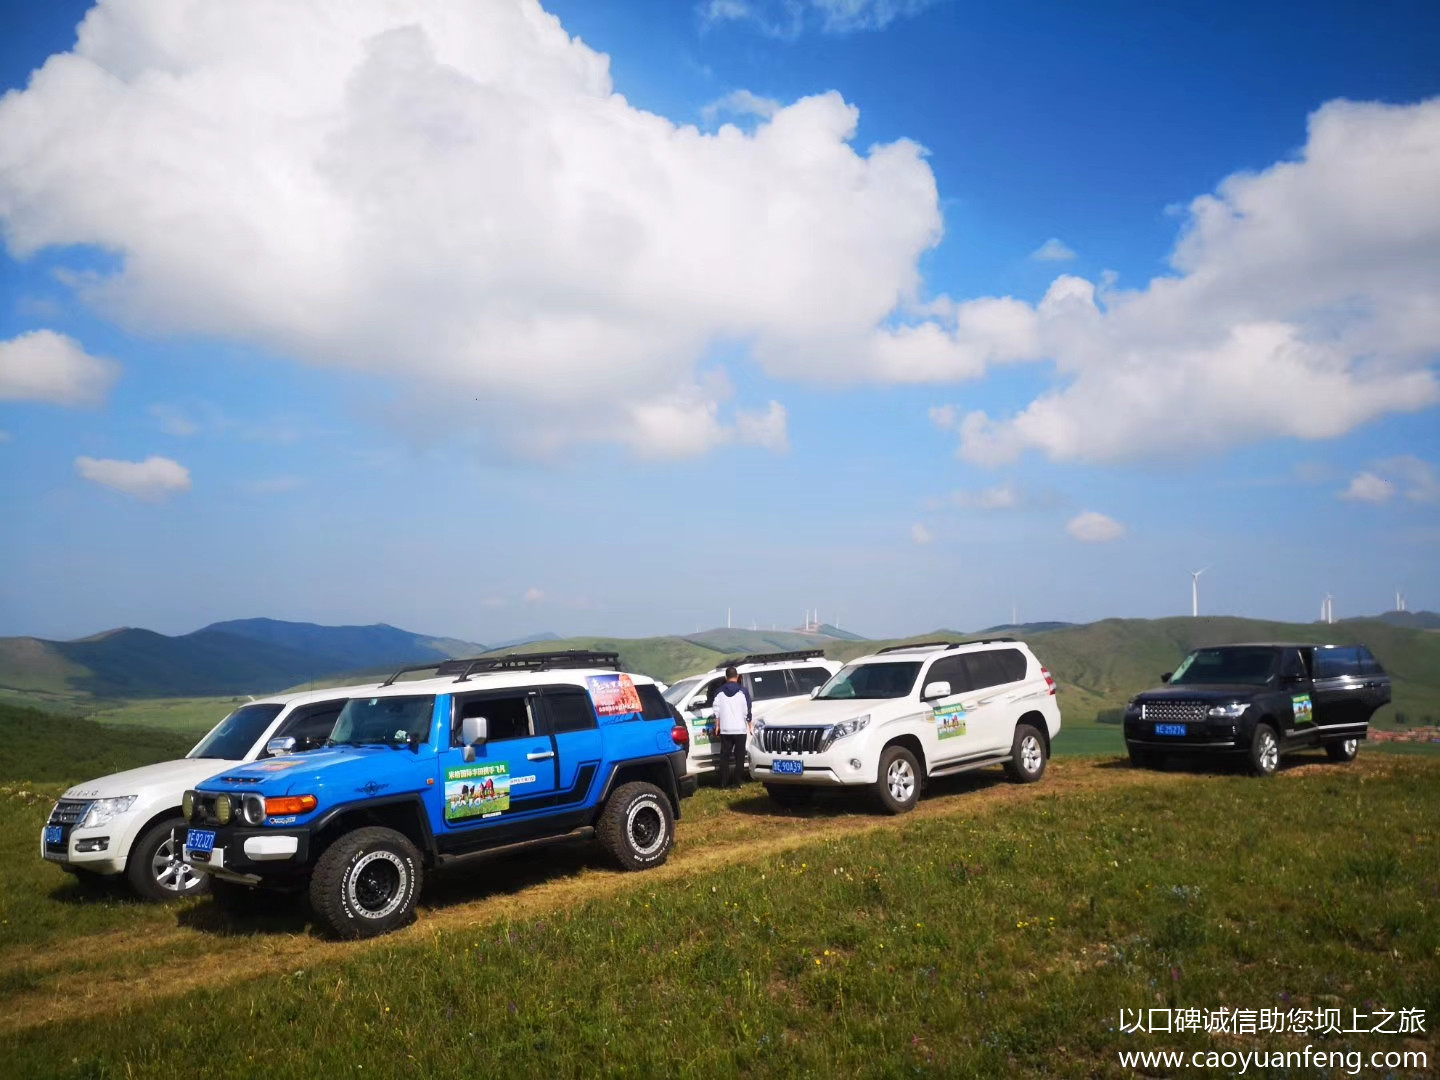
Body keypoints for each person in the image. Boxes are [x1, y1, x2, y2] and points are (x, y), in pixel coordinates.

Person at [711, 666, 752, 789]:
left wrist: (717, 725)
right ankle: (737, 783)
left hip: (726, 729)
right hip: (740, 729)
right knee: (739, 757)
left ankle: (723, 783)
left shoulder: (719, 692)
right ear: (738, 676)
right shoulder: (743, 691)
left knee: (724, 757)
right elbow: (747, 710)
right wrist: (750, 725)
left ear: (725, 677)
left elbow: (716, 711)